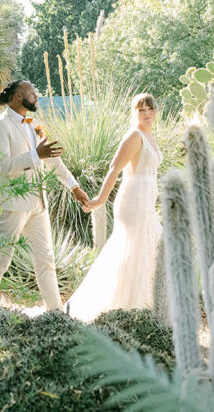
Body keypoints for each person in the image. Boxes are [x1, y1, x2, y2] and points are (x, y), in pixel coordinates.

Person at [0, 80, 90, 319]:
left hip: (38, 203)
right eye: (31, 92)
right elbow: (2, 166)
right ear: (17, 96)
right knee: (0, 261)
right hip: (11, 204)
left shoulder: (34, 124)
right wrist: (35, 155)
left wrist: (73, 186)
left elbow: (52, 160)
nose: (36, 96)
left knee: (46, 260)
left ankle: (56, 315)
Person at [65, 93, 163, 321]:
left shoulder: (150, 136)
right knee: (133, 252)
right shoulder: (134, 136)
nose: (147, 113)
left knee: (149, 250)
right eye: (141, 110)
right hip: (133, 204)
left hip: (147, 205)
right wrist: (99, 199)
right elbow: (114, 168)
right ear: (134, 113)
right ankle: (127, 311)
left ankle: (144, 308)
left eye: (150, 109)